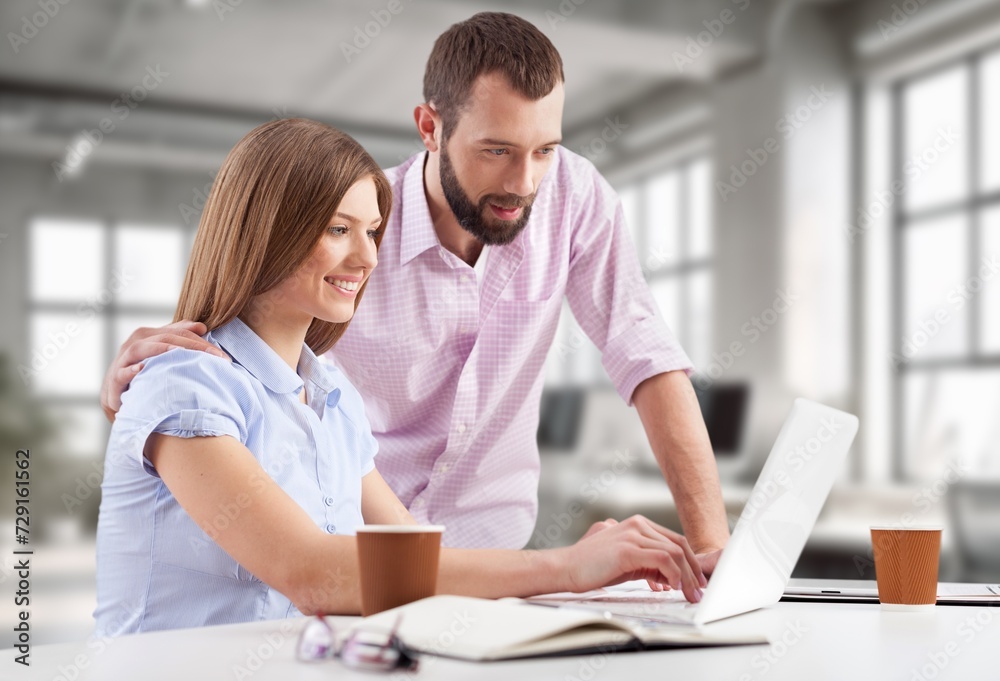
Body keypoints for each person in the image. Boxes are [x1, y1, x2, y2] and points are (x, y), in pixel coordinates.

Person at [100, 12, 729, 569]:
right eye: (497, 150)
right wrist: (168, 364)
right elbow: (259, 320)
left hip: (489, 553)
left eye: (545, 150)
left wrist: (711, 553)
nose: (525, 181)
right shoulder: (363, 224)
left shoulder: (574, 197)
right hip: (356, 550)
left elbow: (646, 355)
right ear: (430, 127)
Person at [93, 118, 708, 636]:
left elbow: (417, 556)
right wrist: (566, 567)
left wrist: (588, 575)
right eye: (339, 229)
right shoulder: (185, 386)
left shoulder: (332, 401)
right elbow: (311, 572)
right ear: (265, 233)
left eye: (372, 232)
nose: (366, 258)